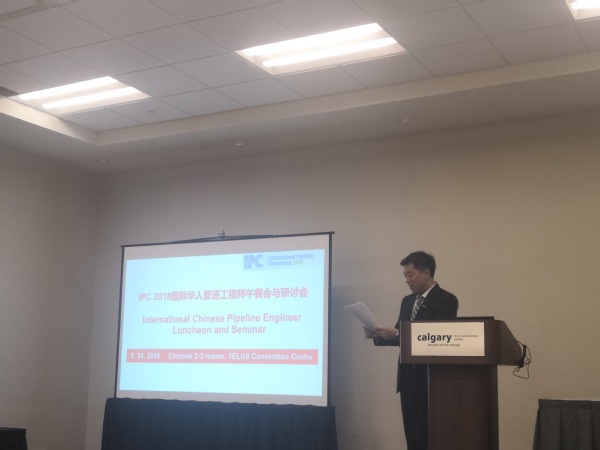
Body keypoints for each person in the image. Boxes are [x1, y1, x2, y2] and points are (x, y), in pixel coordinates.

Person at [364, 251, 458, 450]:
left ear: (426, 273)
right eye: (405, 275)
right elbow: (400, 336)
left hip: (430, 380)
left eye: (410, 274)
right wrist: (378, 335)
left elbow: (436, 338)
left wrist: (398, 334)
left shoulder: (446, 300)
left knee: (427, 437)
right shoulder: (407, 301)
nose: (407, 280)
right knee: (412, 438)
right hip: (407, 380)